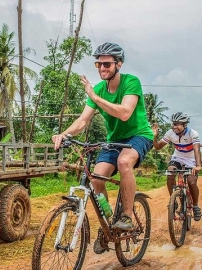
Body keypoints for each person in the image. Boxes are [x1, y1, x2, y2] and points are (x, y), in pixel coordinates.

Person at [52, 42, 153, 238]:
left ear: (119, 64)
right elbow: (82, 120)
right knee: (96, 179)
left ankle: (126, 216)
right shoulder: (98, 88)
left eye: (107, 64)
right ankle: (108, 224)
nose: (102, 68)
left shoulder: (131, 82)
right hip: (114, 139)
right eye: (98, 64)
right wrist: (64, 134)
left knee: (124, 162)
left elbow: (124, 113)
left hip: (139, 135)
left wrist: (94, 97)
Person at [152, 112, 201, 221]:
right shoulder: (170, 133)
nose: (175, 127)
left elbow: (197, 149)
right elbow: (158, 147)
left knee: (191, 182)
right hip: (177, 158)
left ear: (185, 125)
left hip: (191, 159)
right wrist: (154, 137)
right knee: (170, 173)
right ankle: (173, 200)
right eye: (174, 124)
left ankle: (196, 206)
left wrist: (198, 165)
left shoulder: (193, 133)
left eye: (178, 124)